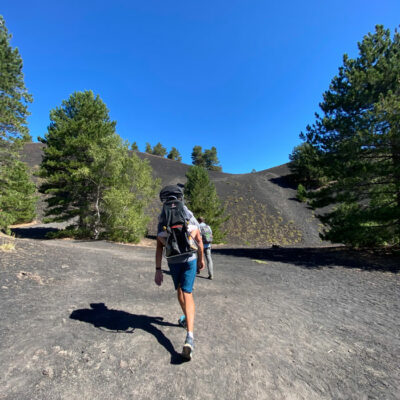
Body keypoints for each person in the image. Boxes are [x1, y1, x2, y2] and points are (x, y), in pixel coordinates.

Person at [154, 185, 205, 360]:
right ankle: (190, 335)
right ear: (180, 197)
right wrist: (201, 258)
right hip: (189, 258)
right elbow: (198, 237)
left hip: (173, 260)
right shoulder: (187, 213)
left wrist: (158, 269)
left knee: (180, 291)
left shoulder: (163, 216)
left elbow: (160, 243)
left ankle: (186, 320)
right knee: (187, 292)